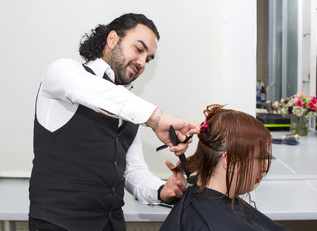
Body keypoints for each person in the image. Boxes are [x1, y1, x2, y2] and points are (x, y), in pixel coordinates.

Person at [29, 13, 199, 231]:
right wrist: (156, 119)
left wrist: (161, 190)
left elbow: (131, 171)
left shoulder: (131, 108)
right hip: (58, 224)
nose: (141, 63)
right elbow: (88, 90)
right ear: (112, 40)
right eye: (138, 49)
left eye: (147, 59)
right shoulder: (62, 72)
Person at [160, 104, 289, 231]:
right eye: (259, 159)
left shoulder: (197, 201)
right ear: (230, 160)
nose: (265, 168)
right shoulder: (211, 224)